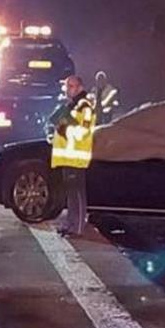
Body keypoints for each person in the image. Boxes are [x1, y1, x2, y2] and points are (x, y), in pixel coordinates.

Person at [49, 75, 97, 237]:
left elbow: (83, 132)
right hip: (68, 157)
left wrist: (64, 129)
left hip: (76, 157)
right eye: (66, 86)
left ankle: (77, 228)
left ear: (79, 87)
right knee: (71, 193)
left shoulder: (85, 106)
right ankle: (70, 225)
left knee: (77, 194)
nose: (67, 89)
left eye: (71, 86)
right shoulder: (72, 106)